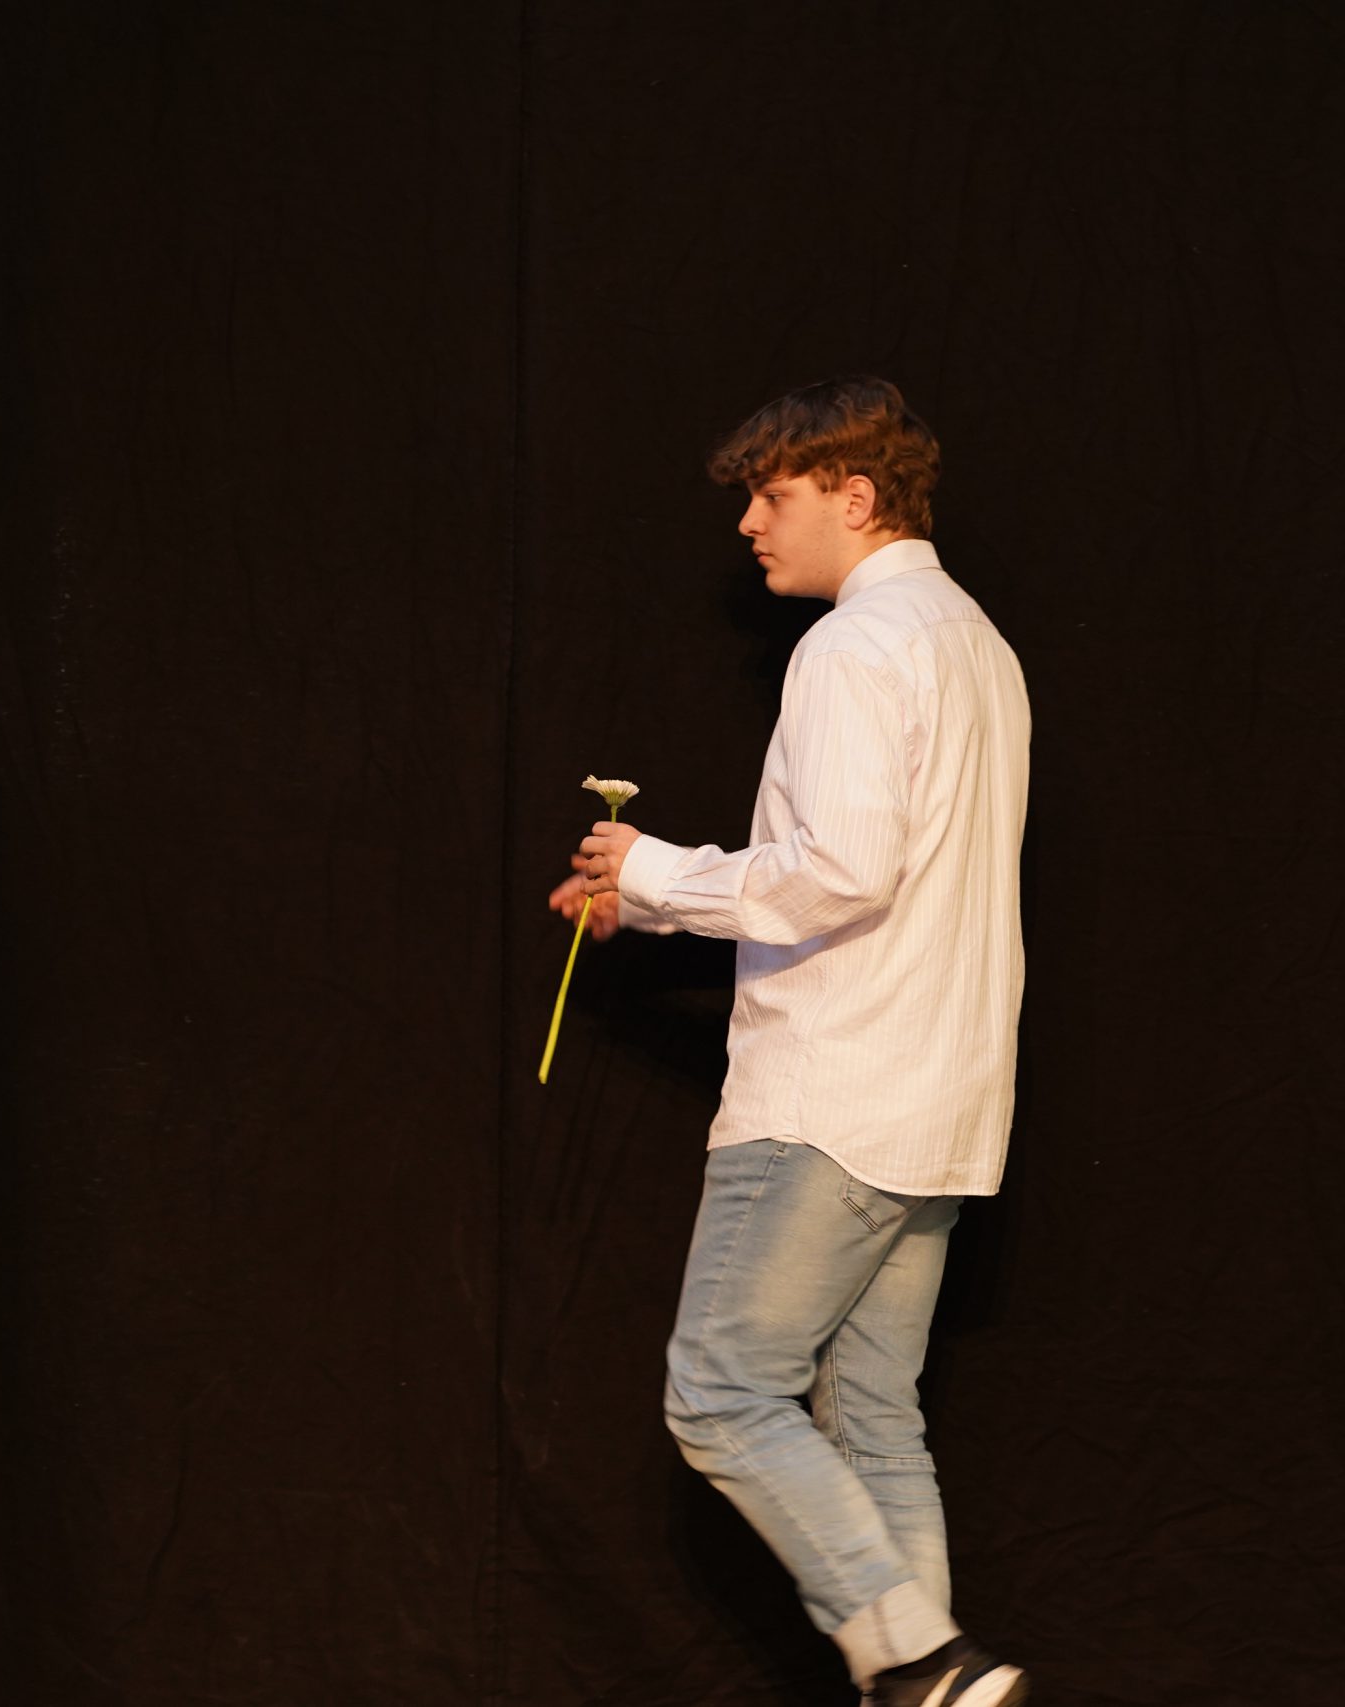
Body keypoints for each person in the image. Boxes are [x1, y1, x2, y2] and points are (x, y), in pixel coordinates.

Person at [547, 376, 1031, 1707]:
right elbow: (884, 873)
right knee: (868, 1414)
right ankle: (929, 1690)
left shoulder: (855, 647)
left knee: (720, 1392)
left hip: (833, 1096)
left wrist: (652, 872)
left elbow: (841, 874)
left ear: (854, 496)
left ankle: (918, 1659)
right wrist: (656, 892)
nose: (750, 523)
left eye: (773, 494)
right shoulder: (979, 645)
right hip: (940, 1105)